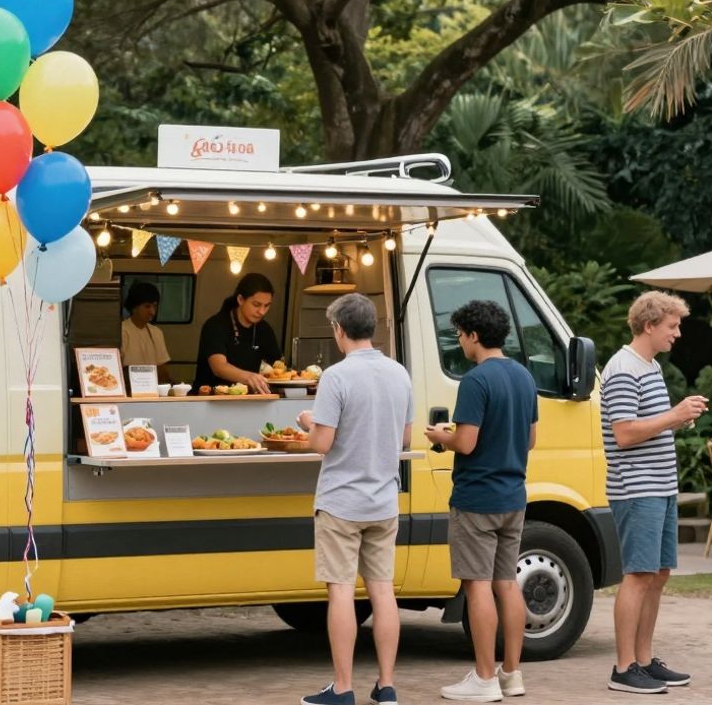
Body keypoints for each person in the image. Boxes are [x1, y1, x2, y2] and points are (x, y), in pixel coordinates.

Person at [295, 293, 412, 705]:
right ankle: (387, 685)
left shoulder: (336, 377)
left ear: (340, 330)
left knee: (341, 591)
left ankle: (343, 688)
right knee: (383, 591)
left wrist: (309, 422)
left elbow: (322, 444)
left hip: (341, 501)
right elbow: (405, 438)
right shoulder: (400, 374)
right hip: (383, 500)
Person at [424, 300, 536, 702]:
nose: (460, 341)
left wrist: (441, 437)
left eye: (459, 334)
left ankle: (484, 679)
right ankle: (512, 674)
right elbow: (531, 439)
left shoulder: (475, 380)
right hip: (514, 495)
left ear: (473, 335)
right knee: (507, 584)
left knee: (477, 587)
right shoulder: (524, 376)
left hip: (476, 498)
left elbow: (466, 442)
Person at [600, 291, 706, 695]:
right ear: (649, 325)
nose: (677, 333)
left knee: (658, 574)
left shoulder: (650, 366)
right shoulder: (624, 368)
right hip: (637, 488)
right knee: (639, 574)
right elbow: (624, 433)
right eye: (672, 326)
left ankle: (643, 660)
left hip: (659, 488)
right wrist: (674, 415)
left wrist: (675, 420)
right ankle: (624, 667)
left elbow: (648, 424)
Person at [193, 272, 282, 395]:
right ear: (240, 299)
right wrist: (249, 377)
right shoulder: (215, 325)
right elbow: (219, 367)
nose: (262, 312)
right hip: (211, 400)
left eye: (266, 306)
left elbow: (278, 366)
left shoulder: (264, 329)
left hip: (248, 401)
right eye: (256, 305)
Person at [120, 281, 171, 382]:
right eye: (147, 306)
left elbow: (162, 367)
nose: (152, 312)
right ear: (134, 307)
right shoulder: (122, 331)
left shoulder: (157, 332)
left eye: (155, 306)